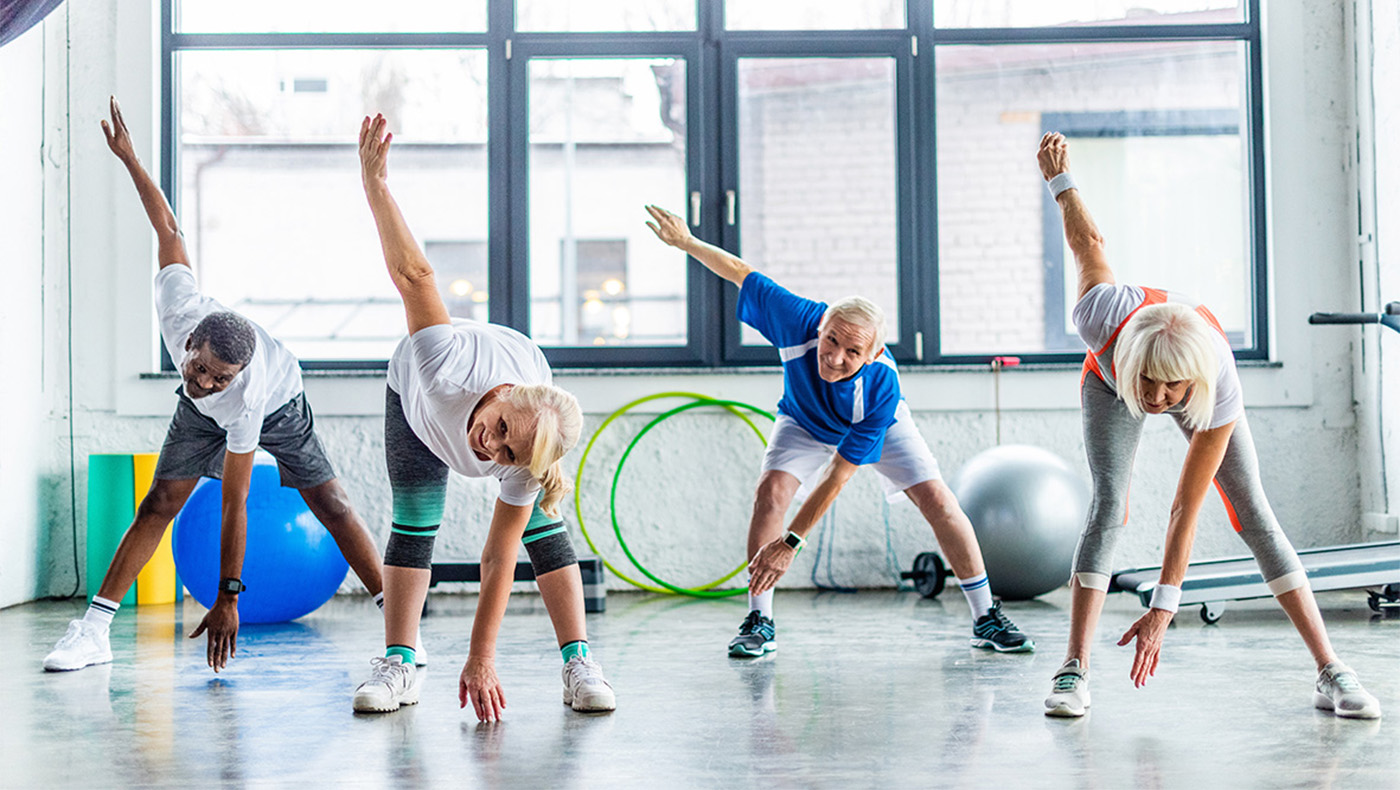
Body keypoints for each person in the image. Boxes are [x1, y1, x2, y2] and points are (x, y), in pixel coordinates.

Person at [1036, 131, 1381, 719]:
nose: (1160, 400)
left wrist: (1165, 606)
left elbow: (1184, 508)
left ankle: (1331, 669)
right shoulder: (1102, 316)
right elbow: (1088, 241)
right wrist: (1060, 181)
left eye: (1172, 391)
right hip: (1105, 381)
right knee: (1109, 506)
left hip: (1199, 383)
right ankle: (1074, 668)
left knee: (1253, 515)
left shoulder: (1214, 381)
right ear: (1132, 364)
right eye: (1150, 386)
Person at [43, 97, 388, 674]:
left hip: (283, 403)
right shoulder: (181, 311)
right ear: (192, 345)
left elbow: (235, 499)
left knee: (329, 503)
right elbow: (168, 227)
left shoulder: (247, 396)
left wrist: (229, 595)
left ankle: (397, 622)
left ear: (235, 376)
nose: (202, 382)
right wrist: (128, 157)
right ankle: (93, 631)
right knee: (159, 501)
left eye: (216, 378)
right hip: (214, 414)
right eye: (197, 368)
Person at [643, 204, 1033, 657]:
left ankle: (986, 615)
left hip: (878, 425)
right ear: (821, 324)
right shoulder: (796, 318)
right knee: (770, 493)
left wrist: (791, 542)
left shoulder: (882, 386)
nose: (835, 357)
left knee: (939, 501)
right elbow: (740, 273)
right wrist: (687, 242)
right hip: (804, 420)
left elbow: (837, 475)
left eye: (852, 350)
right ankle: (759, 619)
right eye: (831, 339)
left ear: (873, 353)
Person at [351, 115, 615, 719]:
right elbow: (415, 274)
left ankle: (579, 662)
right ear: (502, 393)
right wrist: (376, 186)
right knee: (416, 521)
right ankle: (400, 660)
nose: (487, 447)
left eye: (506, 454)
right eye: (498, 429)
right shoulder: (442, 363)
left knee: (541, 532)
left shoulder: (529, 448)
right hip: (413, 403)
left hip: (527, 415)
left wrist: (481, 657)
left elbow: (498, 555)